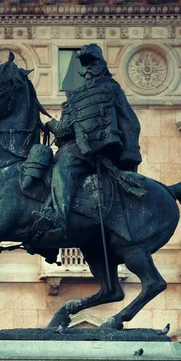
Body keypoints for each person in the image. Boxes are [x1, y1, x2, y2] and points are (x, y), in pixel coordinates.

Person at [33, 43, 141, 240]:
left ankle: (58, 219)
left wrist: (129, 154)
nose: (88, 69)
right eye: (85, 66)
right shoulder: (73, 99)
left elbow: (129, 121)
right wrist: (51, 125)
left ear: (102, 66)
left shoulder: (111, 90)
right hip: (72, 146)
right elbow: (65, 128)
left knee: (63, 168)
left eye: (93, 64)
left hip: (95, 150)